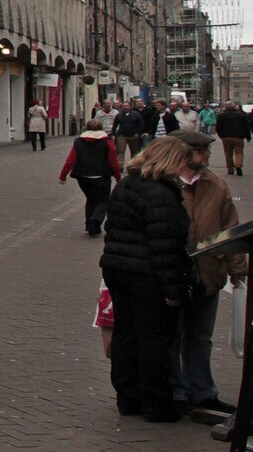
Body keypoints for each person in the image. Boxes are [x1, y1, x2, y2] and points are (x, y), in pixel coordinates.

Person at [99, 135, 194, 421]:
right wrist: (173, 290)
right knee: (153, 338)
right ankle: (156, 403)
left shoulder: (127, 184)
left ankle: (127, 398)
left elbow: (110, 225)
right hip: (147, 274)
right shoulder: (161, 194)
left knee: (125, 334)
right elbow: (165, 247)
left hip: (117, 268)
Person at [171, 126, 245, 416]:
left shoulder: (215, 184)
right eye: (199, 151)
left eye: (206, 151)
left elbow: (230, 227)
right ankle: (175, 392)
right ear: (183, 153)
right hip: (174, 274)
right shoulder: (163, 182)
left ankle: (202, 392)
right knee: (172, 336)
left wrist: (238, 268)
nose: (205, 156)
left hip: (208, 272)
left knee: (201, 336)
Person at [60, 116, 123, 235]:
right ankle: (96, 219)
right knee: (103, 200)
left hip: (82, 176)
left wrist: (63, 175)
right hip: (101, 176)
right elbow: (113, 161)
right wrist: (118, 176)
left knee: (91, 199)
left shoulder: (78, 141)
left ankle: (90, 225)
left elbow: (71, 160)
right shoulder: (107, 142)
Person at [214, 101, 249, 178]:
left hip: (226, 137)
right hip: (239, 137)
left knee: (228, 153)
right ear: (233, 106)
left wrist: (221, 136)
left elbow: (218, 127)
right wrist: (248, 137)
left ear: (226, 107)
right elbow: (246, 127)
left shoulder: (221, 115)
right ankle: (238, 164)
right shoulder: (241, 115)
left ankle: (230, 169)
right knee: (239, 152)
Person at [114, 100, 147, 165]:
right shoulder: (119, 115)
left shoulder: (136, 114)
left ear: (130, 107)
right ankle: (120, 166)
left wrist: (138, 133)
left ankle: (133, 165)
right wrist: (113, 134)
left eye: (127, 106)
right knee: (120, 151)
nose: (126, 107)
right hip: (122, 135)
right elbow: (115, 125)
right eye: (124, 106)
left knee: (134, 152)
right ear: (122, 107)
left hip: (134, 136)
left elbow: (141, 124)